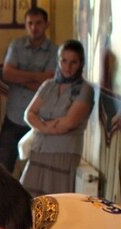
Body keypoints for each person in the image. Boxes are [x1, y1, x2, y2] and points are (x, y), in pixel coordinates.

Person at [20, 40, 94, 197]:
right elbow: (28, 114)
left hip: (63, 153)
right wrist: (47, 127)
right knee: (28, 201)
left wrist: (40, 125)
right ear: (58, 60)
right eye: (64, 61)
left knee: (57, 203)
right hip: (39, 150)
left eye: (73, 62)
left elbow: (69, 122)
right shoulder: (48, 85)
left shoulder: (85, 89)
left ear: (81, 63)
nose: (67, 67)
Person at [0, 6, 56, 175]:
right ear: (25, 25)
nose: (34, 27)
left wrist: (21, 78)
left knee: (36, 171)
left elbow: (49, 83)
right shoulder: (16, 45)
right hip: (13, 117)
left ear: (47, 24)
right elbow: (7, 74)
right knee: (3, 166)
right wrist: (37, 77)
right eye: (30, 23)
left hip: (39, 120)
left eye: (38, 23)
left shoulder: (55, 51)